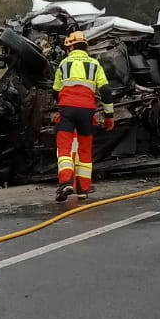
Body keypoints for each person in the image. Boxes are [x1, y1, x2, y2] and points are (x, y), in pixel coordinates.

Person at [49, 30, 114, 202]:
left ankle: (65, 183)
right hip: (87, 112)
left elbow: (55, 90)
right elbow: (106, 90)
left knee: (65, 148)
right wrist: (109, 115)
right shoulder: (94, 64)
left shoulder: (63, 64)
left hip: (67, 111)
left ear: (70, 47)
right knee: (85, 150)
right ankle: (83, 190)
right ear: (86, 46)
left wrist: (61, 103)